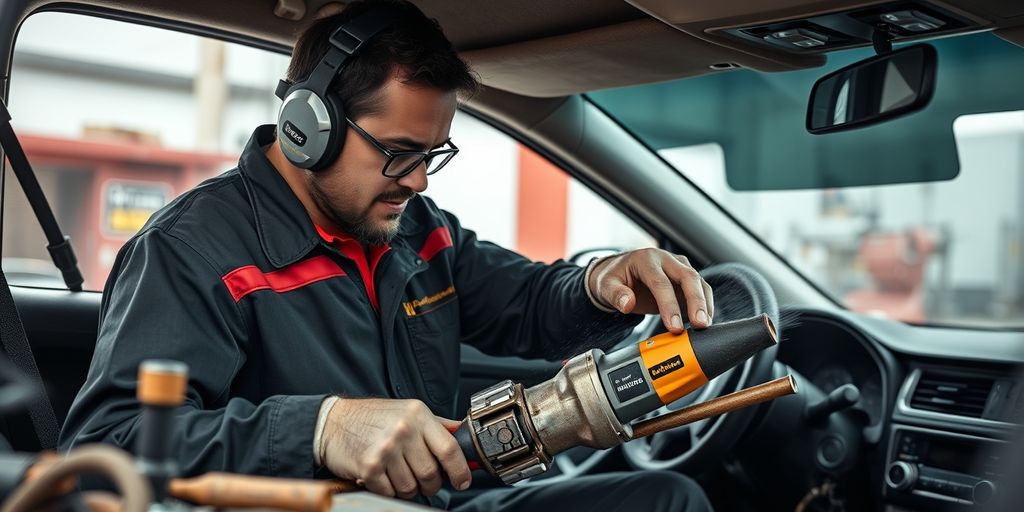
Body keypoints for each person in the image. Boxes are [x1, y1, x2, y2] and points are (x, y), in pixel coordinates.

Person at [59, 1, 715, 510]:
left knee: (669, 498)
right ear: (307, 129)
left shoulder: (415, 230)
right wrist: (321, 428)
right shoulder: (192, 252)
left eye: (432, 155)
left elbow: (526, 304)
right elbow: (105, 449)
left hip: (435, 502)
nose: (420, 181)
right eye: (400, 152)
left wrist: (604, 283)